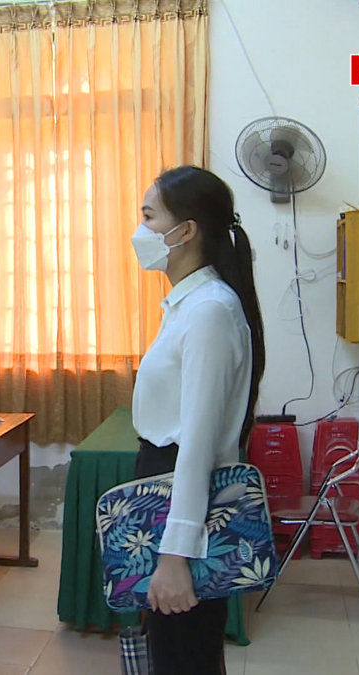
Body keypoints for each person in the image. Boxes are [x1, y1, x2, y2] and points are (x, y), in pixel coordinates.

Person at [129, 166, 265, 674]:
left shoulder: (210, 310)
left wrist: (175, 557)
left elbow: (198, 445)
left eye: (149, 217)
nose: (140, 229)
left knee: (185, 655)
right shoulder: (187, 304)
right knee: (177, 652)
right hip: (166, 487)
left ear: (185, 230)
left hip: (183, 499)